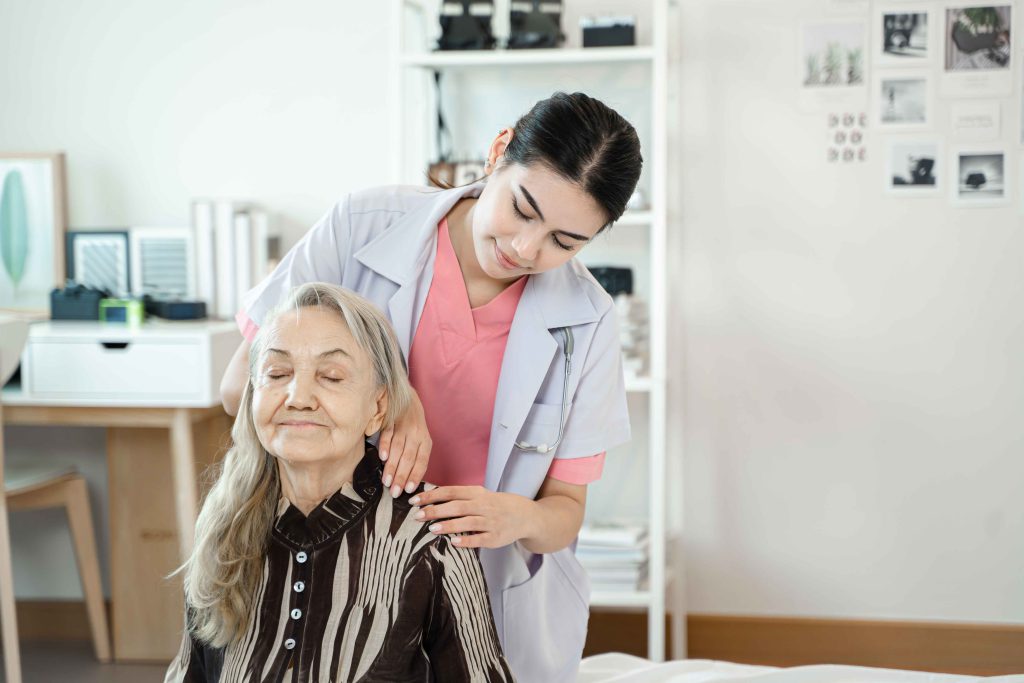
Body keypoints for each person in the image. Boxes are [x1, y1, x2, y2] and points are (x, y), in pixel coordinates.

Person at [221, 91, 642, 681]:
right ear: (498, 151)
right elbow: (238, 385)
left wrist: (514, 517)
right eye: (522, 210)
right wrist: (389, 394)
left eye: (563, 242)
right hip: (342, 574)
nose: (525, 248)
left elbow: (564, 514)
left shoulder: (587, 319)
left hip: (488, 593)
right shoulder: (360, 226)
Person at [166, 283, 514, 682]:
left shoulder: (431, 534)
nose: (298, 397)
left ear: (377, 407)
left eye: (331, 377)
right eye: (277, 373)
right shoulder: (225, 519)